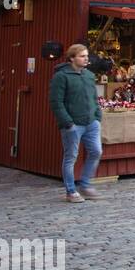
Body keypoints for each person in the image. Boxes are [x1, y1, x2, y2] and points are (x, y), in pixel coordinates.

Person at [50, 44, 103, 203]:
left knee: (96, 151)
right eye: (82, 56)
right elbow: (56, 102)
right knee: (71, 157)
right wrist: (68, 122)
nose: (86, 58)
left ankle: (85, 185)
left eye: (87, 56)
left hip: (91, 123)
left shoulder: (89, 75)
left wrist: (97, 116)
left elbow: (94, 97)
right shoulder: (61, 76)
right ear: (72, 58)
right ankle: (71, 191)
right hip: (73, 124)